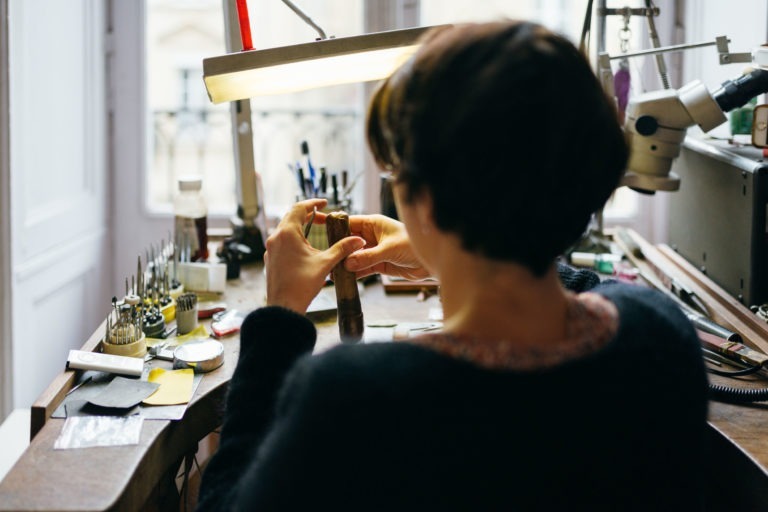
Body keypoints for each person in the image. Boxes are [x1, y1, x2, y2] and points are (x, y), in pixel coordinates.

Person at [197, 20, 707, 511]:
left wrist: (279, 320)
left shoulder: (355, 399)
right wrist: (446, 259)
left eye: (397, 169)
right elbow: (598, 292)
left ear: (424, 203)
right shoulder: (659, 337)